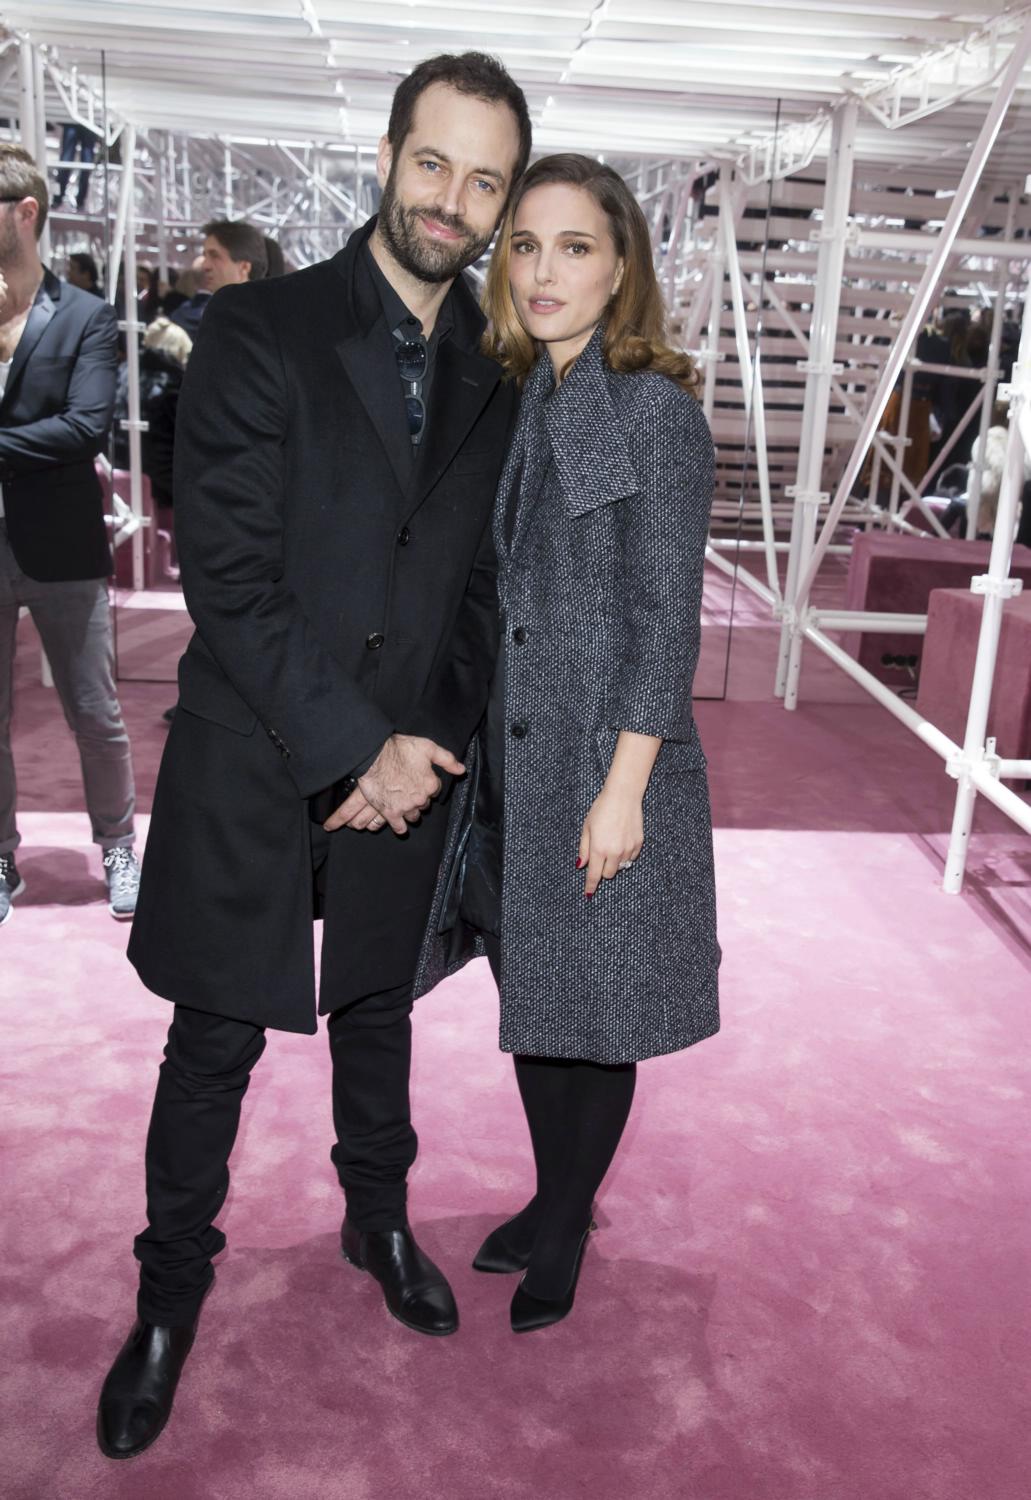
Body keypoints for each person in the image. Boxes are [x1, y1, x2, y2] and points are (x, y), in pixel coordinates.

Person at [96, 51, 532, 1460]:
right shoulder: (261, 327)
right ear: (389, 157)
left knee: (376, 1015)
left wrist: (425, 744)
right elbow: (226, 570)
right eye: (433, 163)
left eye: (484, 178)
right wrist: (357, 746)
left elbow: (477, 593)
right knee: (213, 1035)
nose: (451, 200)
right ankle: (166, 1300)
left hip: (406, 769)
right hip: (257, 754)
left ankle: (376, 1224)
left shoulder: (494, 369)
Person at [414, 154, 721, 1333]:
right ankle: (557, 1198)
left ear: (620, 267)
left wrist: (623, 787)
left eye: (574, 246)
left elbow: (662, 614)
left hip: (599, 765)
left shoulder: (642, 408)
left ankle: (563, 1224)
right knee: (543, 998)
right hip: (519, 758)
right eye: (525, 245)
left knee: (592, 1020)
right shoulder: (534, 393)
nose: (543, 270)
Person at [0, 145, 140, 930]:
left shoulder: (84, 316)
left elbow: (84, 426)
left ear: (26, 214)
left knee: (95, 710)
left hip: (60, 544)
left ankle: (119, 846)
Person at [170, 221, 267, 340]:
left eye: (215, 256)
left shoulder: (264, 323)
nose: (205, 265)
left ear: (244, 267)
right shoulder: (212, 318)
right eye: (205, 255)